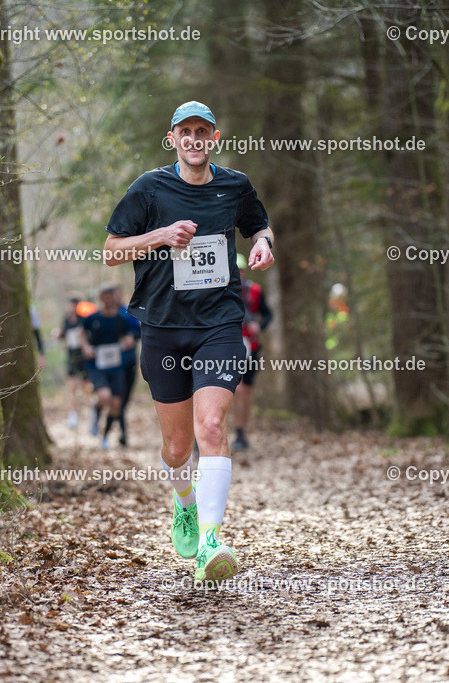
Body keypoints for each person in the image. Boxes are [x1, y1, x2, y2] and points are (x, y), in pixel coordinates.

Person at [103, 101, 274, 584]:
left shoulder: (235, 185)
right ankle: (184, 502)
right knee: (178, 447)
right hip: (162, 326)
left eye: (203, 132)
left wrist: (263, 242)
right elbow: (112, 251)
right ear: (173, 139)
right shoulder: (148, 188)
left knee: (212, 427)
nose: (194, 139)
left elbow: (258, 225)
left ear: (214, 138)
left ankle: (211, 538)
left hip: (219, 324)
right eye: (186, 132)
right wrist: (160, 235)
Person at [81, 285, 135, 449]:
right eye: (104, 296)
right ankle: (95, 413)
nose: (108, 300)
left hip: (117, 366)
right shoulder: (92, 318)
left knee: (117, 404)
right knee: (105, 396)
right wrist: (86, 348)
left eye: (110, 296)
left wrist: (127, 342)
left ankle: (105, 436)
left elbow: (130, 336)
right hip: (96, 365)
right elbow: (81, 333)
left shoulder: (122, 318)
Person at [232, 253, 272, 451]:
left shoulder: (255, 290)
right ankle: (212, 432)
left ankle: (241, 433)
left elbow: (268, 314)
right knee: (232, 390)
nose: (238, 274)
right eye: (235, 270)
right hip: (226, 344)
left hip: (251, 345)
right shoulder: (220, 290)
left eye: (241, 270)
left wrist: (260, 325)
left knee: (245, 391)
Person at [114, 286, 142, 446]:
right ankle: (120, 433)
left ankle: (122, 434)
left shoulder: (129, 312)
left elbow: (140, 330)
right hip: (110, 367)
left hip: (128, 364)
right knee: (115, 399)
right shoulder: (100, 316)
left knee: (123, 400)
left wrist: (132, 336)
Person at [55, 295, 86, 428]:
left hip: (84, 357)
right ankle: (73, 415)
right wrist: (57, 334)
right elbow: (63, 334)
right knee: (71, 386)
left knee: (86, 386)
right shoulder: (67, 320)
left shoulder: (84, 320)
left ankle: (91, 411)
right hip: (71, 356)